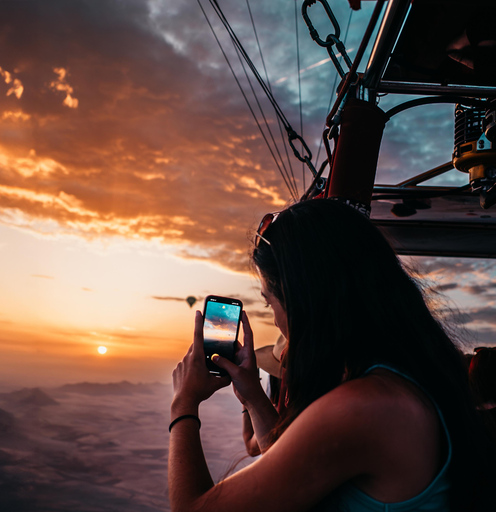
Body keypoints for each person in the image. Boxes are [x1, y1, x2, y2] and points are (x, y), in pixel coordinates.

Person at [168, 199, 495, 512]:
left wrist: (183, 403)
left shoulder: (365, 407)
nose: (277, 323)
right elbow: (290, 461)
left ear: (307, 302)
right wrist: (251, 393)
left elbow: (192, 508)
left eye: (271, 304)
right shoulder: (398, 378)